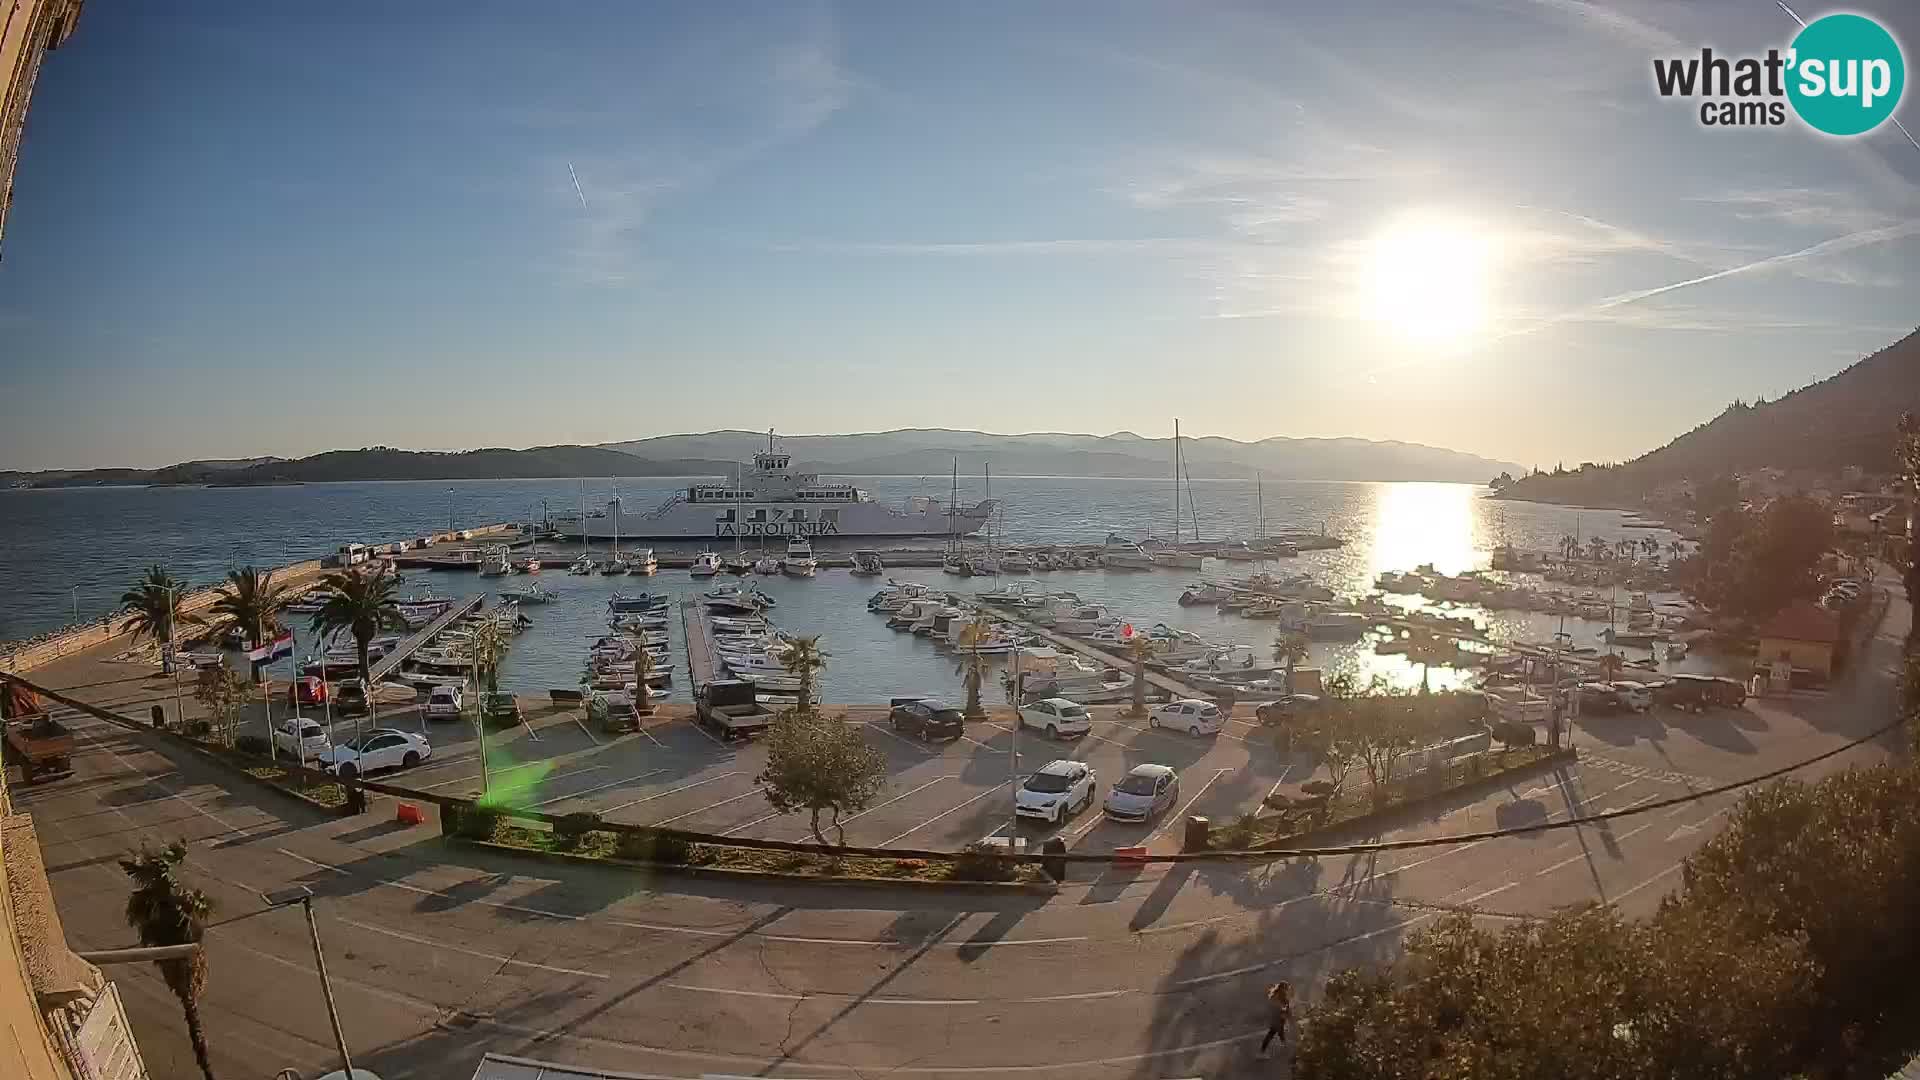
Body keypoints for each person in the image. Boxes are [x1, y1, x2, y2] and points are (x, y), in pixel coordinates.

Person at [1257, 981, 1292, 1058]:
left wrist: (1286, 1011)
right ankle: (1262, 1052)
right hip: (1276, 1019)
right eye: (1285, 988)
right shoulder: (1275, 997)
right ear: (1281, 988)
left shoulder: (1283, 997)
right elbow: (1277, 1008)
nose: (1286, 990)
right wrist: (1283, 1010)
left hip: (1280, 1019)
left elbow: (1286, 1007)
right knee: (1272, 1034)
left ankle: (1284, 1046)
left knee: (1278, 1033)